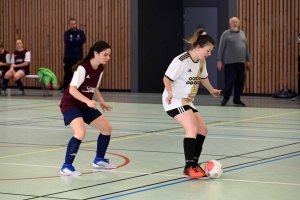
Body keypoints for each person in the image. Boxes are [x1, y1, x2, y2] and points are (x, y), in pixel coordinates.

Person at [162, 28, 221, 179]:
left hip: (187, 101)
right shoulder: (182, 60)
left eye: (211, 51)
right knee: (192, 128)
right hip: (174, 100)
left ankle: (194, 164)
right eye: (208, 50)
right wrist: (169, 92)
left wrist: (212, 90)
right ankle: (188, 167)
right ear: (199, 47)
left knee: (203, 130)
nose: (209, 54)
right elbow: (166, 79)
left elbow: (203, 78)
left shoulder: (201, 62)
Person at [59, 41, 115, 176]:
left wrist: (101, 102)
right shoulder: (83, 68)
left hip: (85, 105)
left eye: (109, 55)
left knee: (107, 128)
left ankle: (99, 159)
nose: (108, 58)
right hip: (70, 104)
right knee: (80, 131)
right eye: (105, 55)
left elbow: (94, 87)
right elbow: (72, 90)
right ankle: (66, 166)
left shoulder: (100, 68)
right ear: (96, 54)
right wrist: (87, 101)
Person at [217, 17, 250, 106]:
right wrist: (219, 60)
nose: (235, 24)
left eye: (236, 22)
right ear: (230, 24)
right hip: (230, 63)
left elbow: (246, 47)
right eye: (233, 22)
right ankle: (225, 98)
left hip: (241, 62)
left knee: (240, 81)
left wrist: (248, 60)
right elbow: (221, 47)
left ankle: (237, 99)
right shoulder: (226, 34)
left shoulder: (242, 34)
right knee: (230, 80)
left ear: (239, 24)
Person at [62, 18, 86, 93]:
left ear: (76, 24)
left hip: (78, 56)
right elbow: (67, 42)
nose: (73, 25)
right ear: (69, 25)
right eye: (72, 24)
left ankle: (78, 87)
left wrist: (73, 40)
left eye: (74, 24)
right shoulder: (67, 33)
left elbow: (83, 40)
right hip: (68, 56)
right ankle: (66, 88)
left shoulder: (80, 32)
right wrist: (76, 41)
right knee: (67, 72)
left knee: (78, 72)